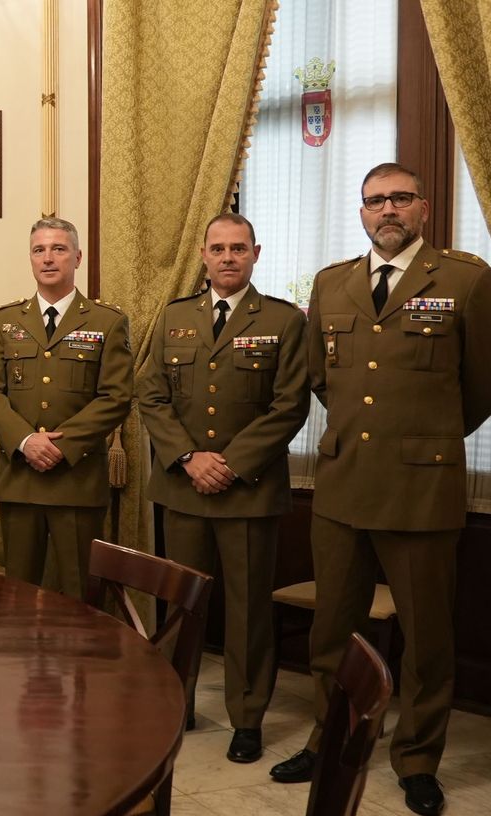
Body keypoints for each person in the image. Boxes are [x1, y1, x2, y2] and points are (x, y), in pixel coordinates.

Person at [269, 163, 491, 816]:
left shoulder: (464, 279)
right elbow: (321, 377)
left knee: (427, 639)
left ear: (423, 208)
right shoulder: (333, 283)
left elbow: (488, 384)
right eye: (375, 201)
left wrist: (426, 439)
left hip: (422, 489)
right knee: (332, 630)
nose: (387, 210)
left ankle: (418, 760)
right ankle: (332, 738)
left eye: (401, 198)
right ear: (362, 212)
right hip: (343, 484)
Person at [137, 213, 308, 763]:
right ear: (204, 256)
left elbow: (290, 405)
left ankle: (248, 717)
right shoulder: (174, 317)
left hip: (248, 492)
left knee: (249, 610)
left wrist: (230, 464)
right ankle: (178, 702)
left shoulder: (283, 320)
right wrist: (189, 457)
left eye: (238, 248)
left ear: (256, 253)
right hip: (184, 488)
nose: (228, 257)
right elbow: (151, 396)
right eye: (218, 248)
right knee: (181, 606)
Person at [0, 216, 131, 598]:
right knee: (18, 594)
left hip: (76, 480)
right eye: (39, 250)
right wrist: (26, 441)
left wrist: (62, 445)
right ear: (30, 258)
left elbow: (116, 397)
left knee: (79, 594)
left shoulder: (107, 321)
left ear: (77, 258)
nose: (48, 258)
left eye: (58, 249)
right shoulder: (5, 320)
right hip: (20, 478)